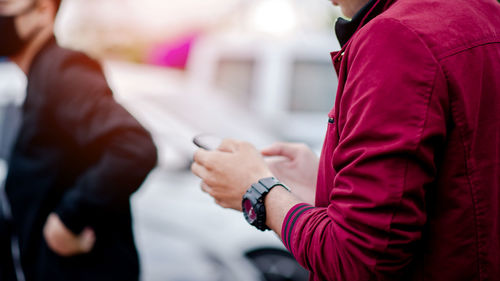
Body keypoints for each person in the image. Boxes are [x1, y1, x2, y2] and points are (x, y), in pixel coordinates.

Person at [191, 0, 500, 280]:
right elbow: (462, 187)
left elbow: (355, 261)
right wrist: (327, 184)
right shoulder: (486, 14)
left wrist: (257, 192)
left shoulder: (398, 35)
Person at [0, 0, 157, 280]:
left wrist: (68, 218)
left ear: (42, 11)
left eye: (4, 4)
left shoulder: (64, 70)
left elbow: (134, 146)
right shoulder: (40, 77)